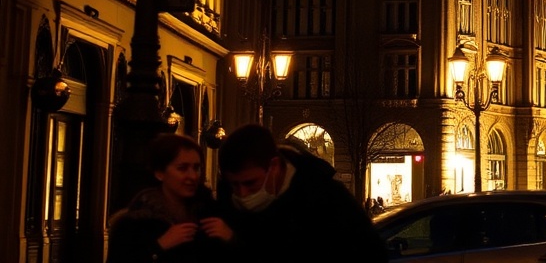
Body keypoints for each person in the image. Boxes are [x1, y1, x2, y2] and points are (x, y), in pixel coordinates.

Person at [217, 123, 388, 263]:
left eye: (250, 183)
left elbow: (370, 252)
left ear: (274, 167)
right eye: (234, 185)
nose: (242, 194)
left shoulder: (327, 199)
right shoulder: (226, 205)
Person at [106, 133, 233, 263]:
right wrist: (158, 247)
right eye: (182, 168)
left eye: (196, 168)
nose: (193, 176)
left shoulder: (212, 216)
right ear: (160, 173)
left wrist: (231, 240)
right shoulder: (134, 223)